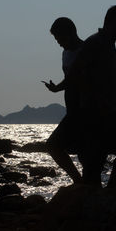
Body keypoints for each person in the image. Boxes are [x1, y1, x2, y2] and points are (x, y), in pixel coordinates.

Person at [69, 5, 116, 189]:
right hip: (95, 112)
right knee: (96, 160)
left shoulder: (107, 44)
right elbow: (76, 70)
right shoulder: (95, 42)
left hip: (107, 109)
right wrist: (93, 99)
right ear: (112, 23)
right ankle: (97, 200)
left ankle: (108, 193)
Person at [42, 17, 83, 184]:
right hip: (72, 109)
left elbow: (79, 78)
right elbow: (69, 79)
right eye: (56, 39)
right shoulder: (65, 53)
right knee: (54, 146)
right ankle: (79, 181)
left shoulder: (86, 51)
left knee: (55, 145)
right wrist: (56, 88)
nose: (58, 42)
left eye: (60, 38)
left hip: (85, 110)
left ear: (71, 33)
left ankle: (83, 184)